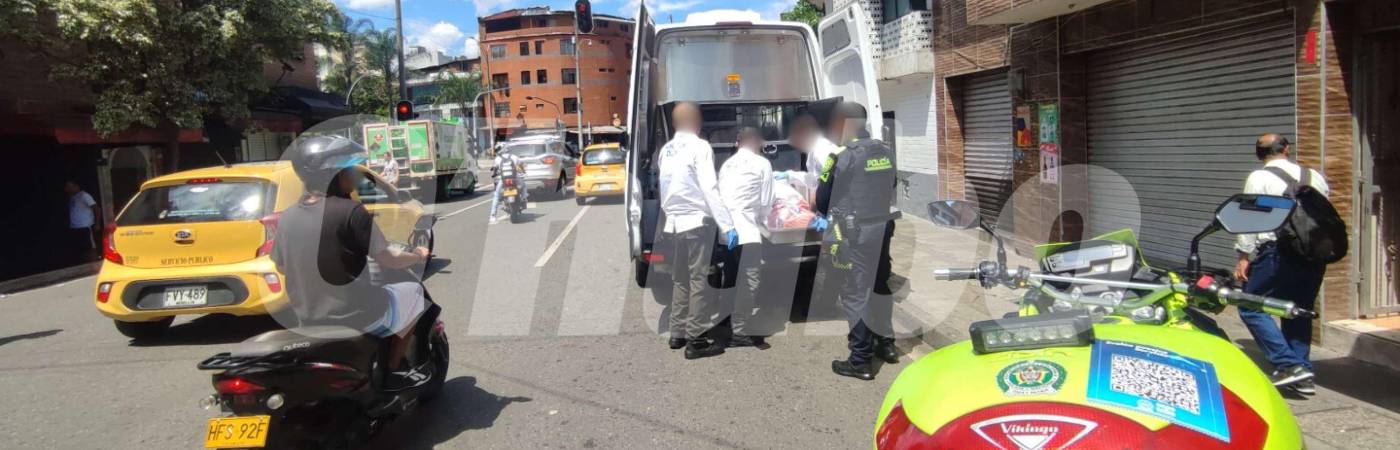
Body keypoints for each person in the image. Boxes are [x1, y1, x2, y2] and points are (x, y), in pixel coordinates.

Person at [272, 135, 433, 390]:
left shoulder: (288, 216)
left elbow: (281, 266)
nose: (356, 176)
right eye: (350, 169)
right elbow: (388, 258)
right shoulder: (352, 211)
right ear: (335, 174)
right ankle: (393, 369)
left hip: (304, 315)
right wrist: (418, 255)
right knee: (413, 293)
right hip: (355, 314)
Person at [1234, 133, 1329, 395]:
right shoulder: (1313, 176)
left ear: (1258, 154)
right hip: (1313, 253)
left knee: (1249, 305)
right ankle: (1303, 375)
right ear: (1286, 149)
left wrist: (1244, 255)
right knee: (1298, 310)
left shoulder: (1259, 177)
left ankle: (1289, 365)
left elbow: (1249, 215)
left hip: (1277, 252)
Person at [813, 102, 898, 380]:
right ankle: (887, 344)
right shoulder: (884, 150)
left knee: (855, 291)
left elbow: (823, 200)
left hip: (856, 233)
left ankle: (860, 359)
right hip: (883, 227)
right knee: (880, 284)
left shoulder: (841, 156)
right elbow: (892, 184)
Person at [658, 101, 735, 360]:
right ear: (696, 122)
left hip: (674, 225)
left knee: (680, 279)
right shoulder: (700, 147)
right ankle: (697, 340)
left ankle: (677, 333)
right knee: (699, 280)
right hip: (697, 223)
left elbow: (665, 188)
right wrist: (727, 227)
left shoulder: (666, 150)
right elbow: (709, 188)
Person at [717, 127, 774, 349]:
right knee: (749, 280)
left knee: (730, 275)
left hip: (727, 232)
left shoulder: (727, 164)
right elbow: (767, 202)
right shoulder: (762, 164)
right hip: (748, 231)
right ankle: (739, 331)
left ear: (737, 142)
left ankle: (727, 319)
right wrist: (760, 221)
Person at [65, 179, 100, 263]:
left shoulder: (84, 195)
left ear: (76, 186)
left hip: (85, 227)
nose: (68, 188)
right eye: (67, 187)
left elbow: (97, 209)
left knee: (90, 248)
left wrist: (97, 223)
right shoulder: (72, 197)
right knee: (81, 249)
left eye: (70, 186)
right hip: (75, 228)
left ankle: (94, 266)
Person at [489, 148, 528, 224]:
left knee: (496, 195)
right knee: (524, 186)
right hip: (515, 178)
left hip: (503, 180)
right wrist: (523, 171)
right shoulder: (514, 157)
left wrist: (494, 174)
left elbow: (494, 169)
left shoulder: (498, 159)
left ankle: (493, 216)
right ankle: (523, 198)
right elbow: (521, 165)